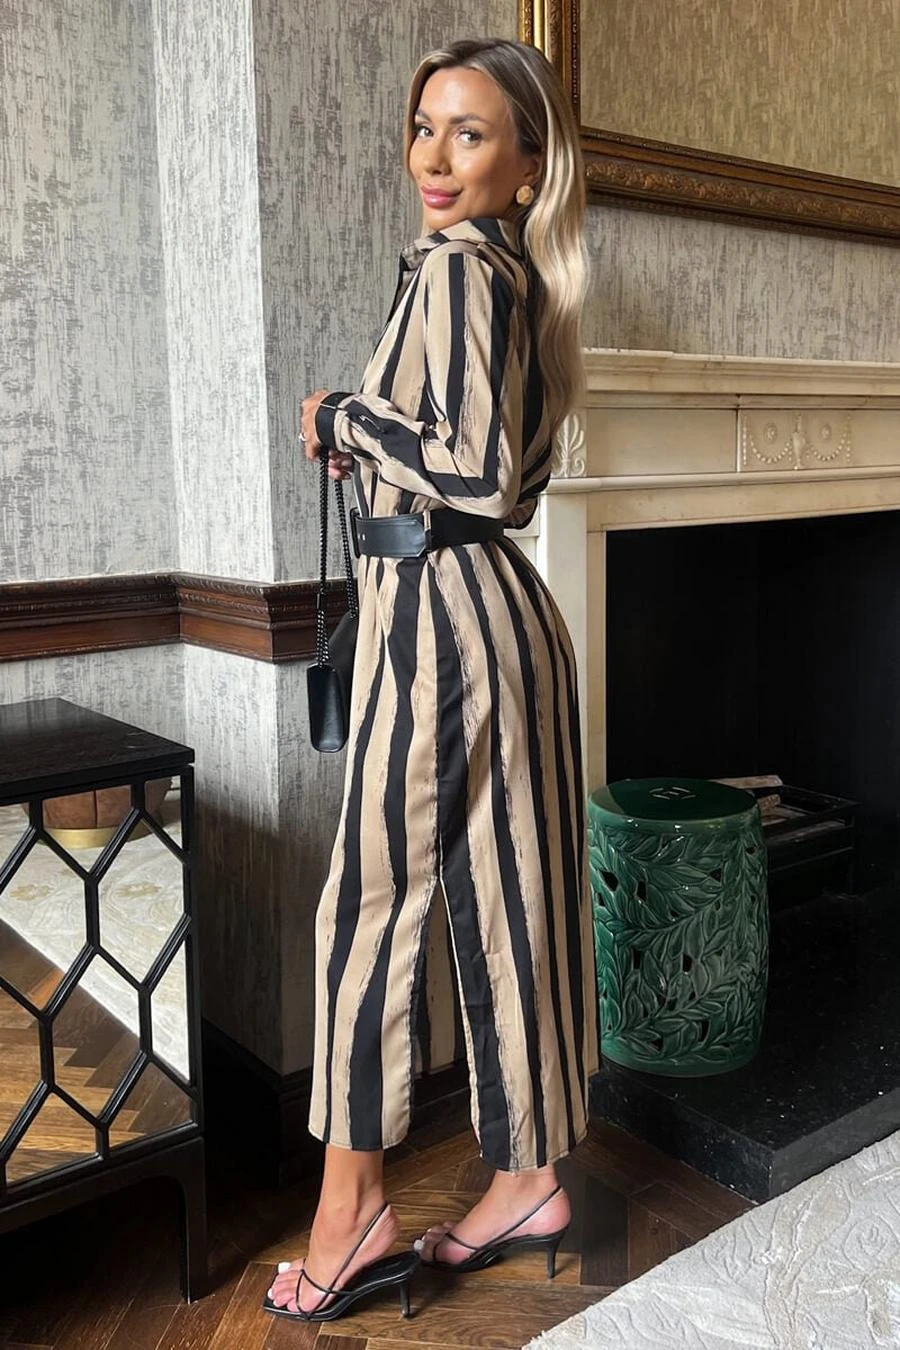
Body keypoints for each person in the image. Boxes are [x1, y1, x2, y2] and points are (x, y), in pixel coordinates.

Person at [264, 36, 598, 1325]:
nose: (434, 158)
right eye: (424, 127)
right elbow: (497, 469)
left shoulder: (463, 268)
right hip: (497, 616)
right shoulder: (516, 279)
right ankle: (527, 1177)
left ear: (529, 164)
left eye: (470, 132)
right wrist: (374, 444)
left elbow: (473, 472)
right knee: (513, 894)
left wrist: (345, 417)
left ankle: (349, 1215)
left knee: (370, 908)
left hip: (441, 625)